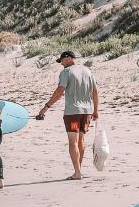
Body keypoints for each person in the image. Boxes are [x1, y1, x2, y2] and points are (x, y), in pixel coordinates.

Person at [35, 50, 99, 180]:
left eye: (62, 61)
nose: (61, 64)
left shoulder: (66, 72)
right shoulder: (87, 71)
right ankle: (78, 170)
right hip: (87, 111)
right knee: (81, 140)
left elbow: (60, 90)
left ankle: (77, 173)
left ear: (69, 58)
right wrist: (95, 110)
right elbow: (95, 92)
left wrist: (45, 108)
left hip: (73, 113)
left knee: (72, 141)